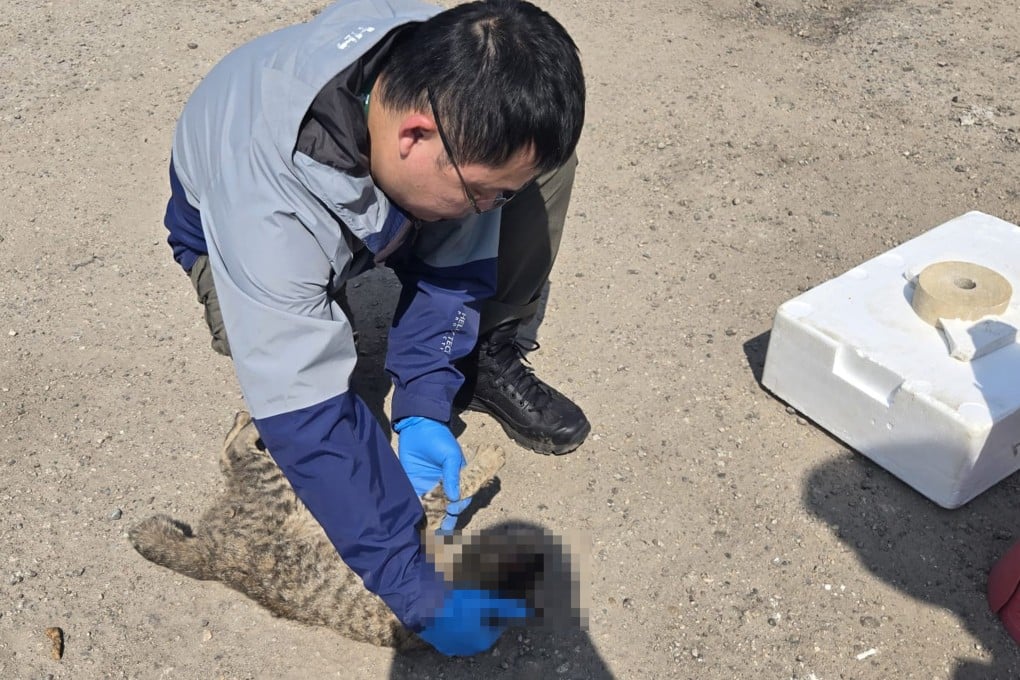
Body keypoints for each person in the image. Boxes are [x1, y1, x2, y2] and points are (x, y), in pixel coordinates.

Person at [161, 0, 586, 656]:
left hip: (387, 187)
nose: (491, 206)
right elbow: (312, 419)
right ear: (414, 136)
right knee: (293, 389)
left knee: (519, 183)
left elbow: (458, 263)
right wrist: (411, 585)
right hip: (231, 229)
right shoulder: (268, 219)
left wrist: (422, 403)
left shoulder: (453, 65)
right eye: (484, 194)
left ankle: (482, 351)